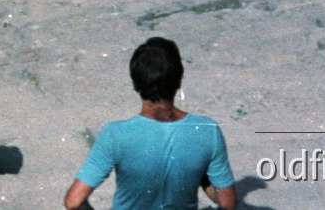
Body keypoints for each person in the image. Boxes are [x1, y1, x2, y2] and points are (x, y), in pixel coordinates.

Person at [64, 37, 237, 210]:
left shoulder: (115, 134)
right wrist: (198, 174)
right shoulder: (208, 131)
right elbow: (227, 203)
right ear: (179, 79)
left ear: (135, 82)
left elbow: (74, 202)